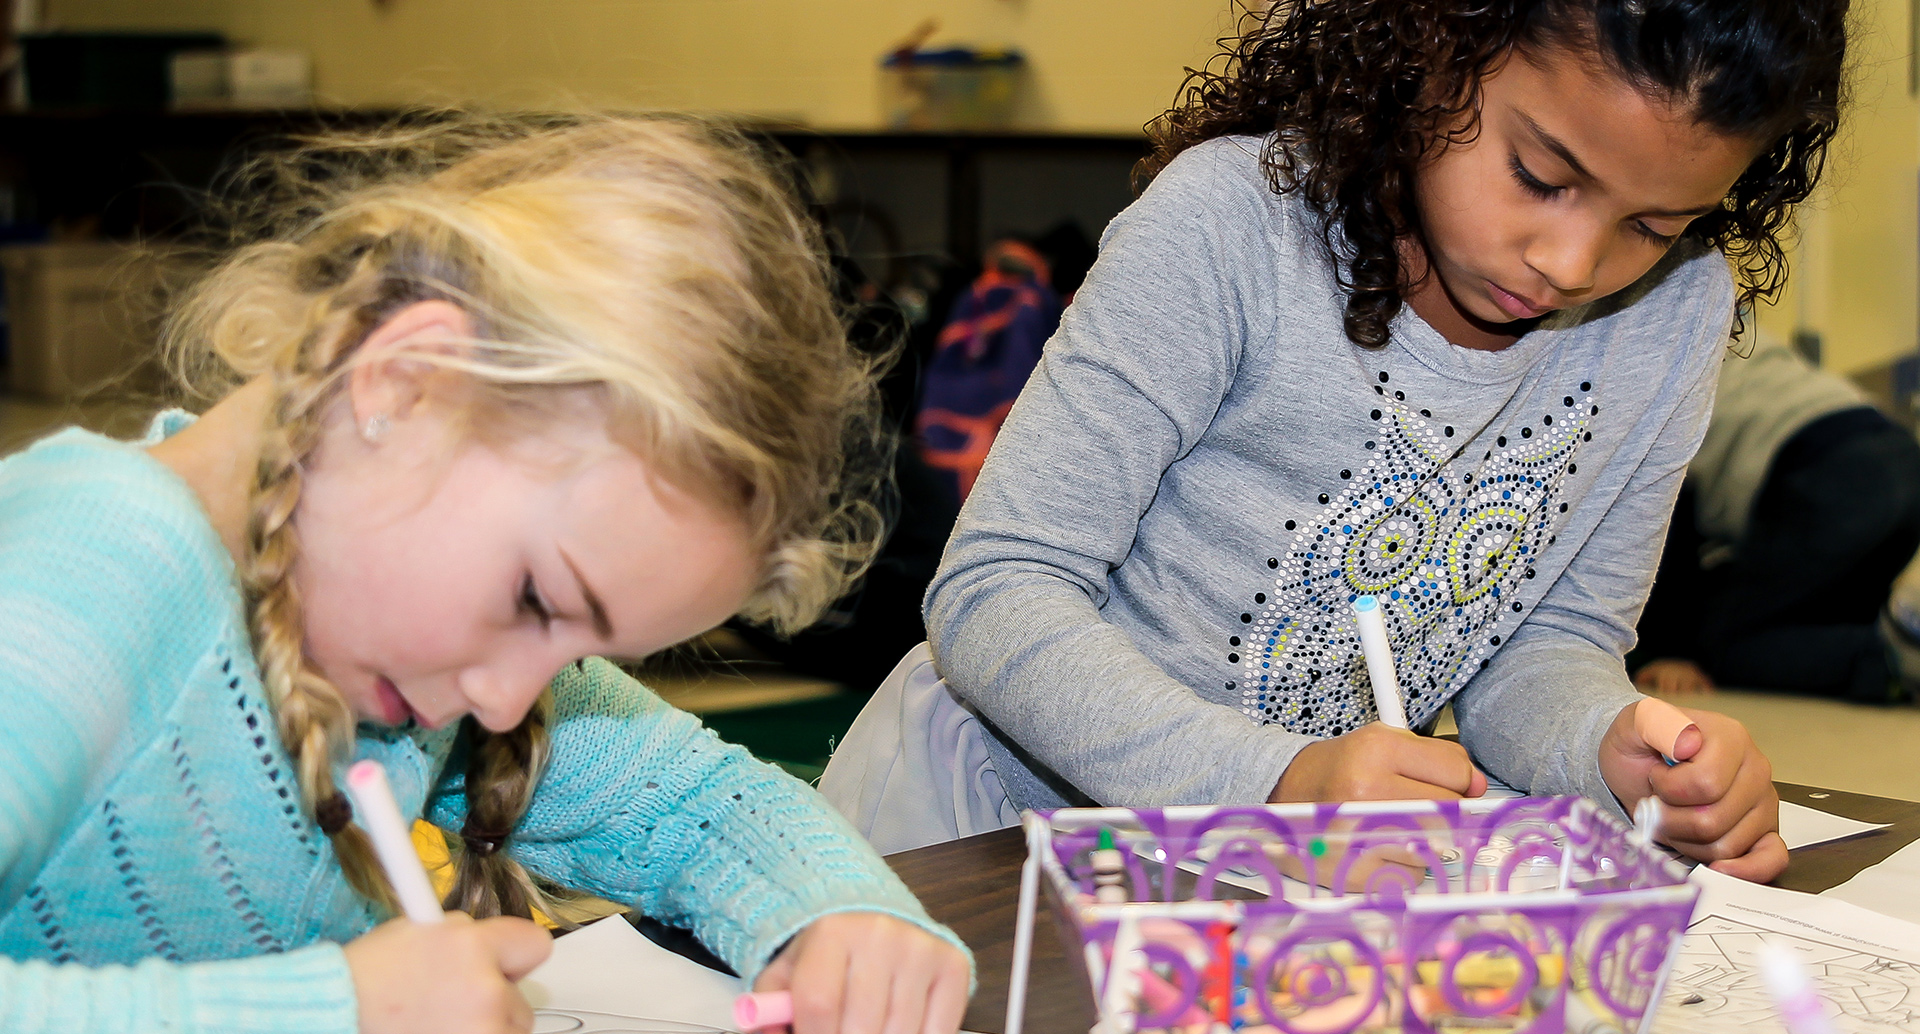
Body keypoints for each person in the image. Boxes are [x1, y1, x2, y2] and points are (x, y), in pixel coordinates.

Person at [822, 0, 1845, 882]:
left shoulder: (1669, 315)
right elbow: (996, 590)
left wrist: (1609, 745)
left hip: (1288, 884)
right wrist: (1274, 785)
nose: (1572, 264)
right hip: (989, 835)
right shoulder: (1237, 227)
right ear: (1437, 46)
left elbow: (1545, 648)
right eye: (1539, 174)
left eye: (1654, 227)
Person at [0, 116, 970, 1034]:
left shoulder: (388, 641)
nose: (510, 699)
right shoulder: (88, 573)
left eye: (580, 647)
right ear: (404, 382)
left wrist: (840, 913)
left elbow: (689, 801)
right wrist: (337, 1007)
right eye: (535, 599)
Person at [1632, 333, 1920, 701]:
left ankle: (1896, 658)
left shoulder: (1648, 367)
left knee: (1725, 646)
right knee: (1827, 620)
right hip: (1897, 452)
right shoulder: (1730, 328)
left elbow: (1665, 512)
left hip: (1829, 469)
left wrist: (1668, 651)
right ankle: (1894, 640)